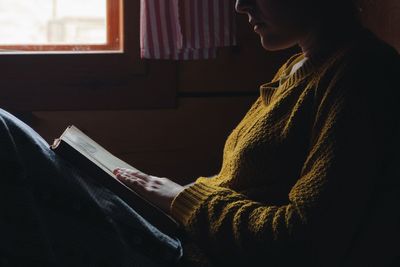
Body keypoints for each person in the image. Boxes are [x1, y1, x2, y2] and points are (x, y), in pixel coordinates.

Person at [1, 0, 399, 266]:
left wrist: (180, 197)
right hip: (185, 236)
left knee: (8, 139)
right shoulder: (300, 67)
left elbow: (303, 240)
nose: (241, 5)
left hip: (192, 256)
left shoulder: (361, 75)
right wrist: (159, 196)